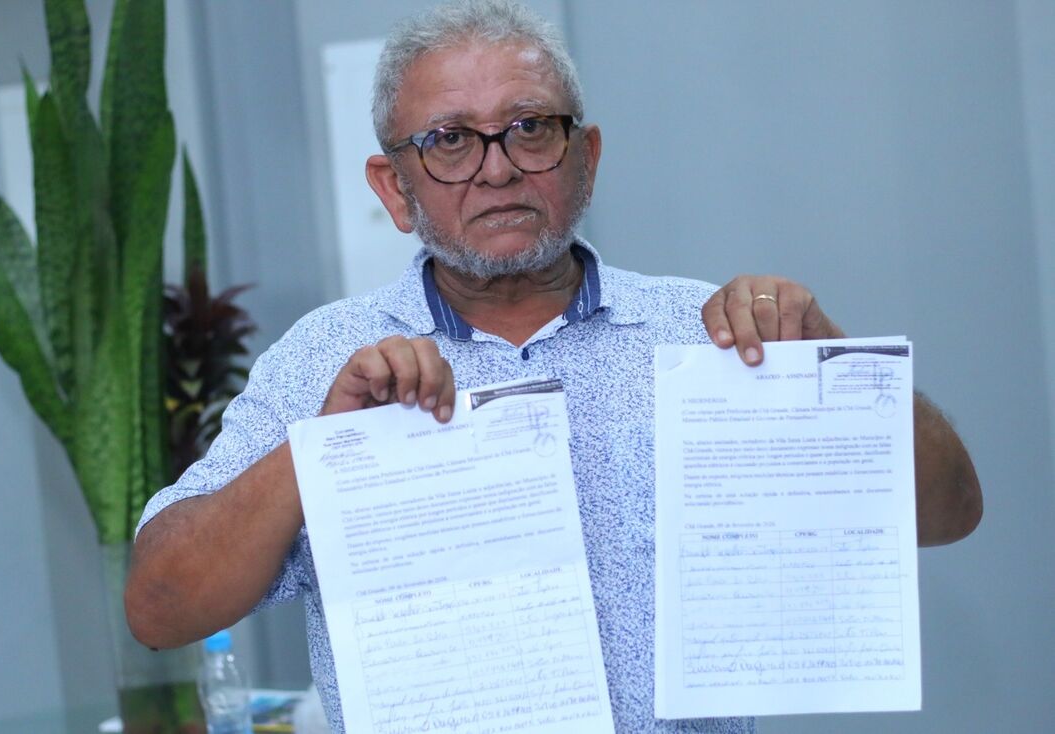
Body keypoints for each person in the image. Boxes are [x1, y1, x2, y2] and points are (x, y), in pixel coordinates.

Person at [125, 2, 982, 732]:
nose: (498, 167)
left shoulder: (713, 337)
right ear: (394, 188)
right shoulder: (325, 361)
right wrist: (321, 447)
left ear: (587, 157)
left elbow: (950, 512)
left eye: (531, 127)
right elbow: (161, 609)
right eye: (450, 141)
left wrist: (833, 368)